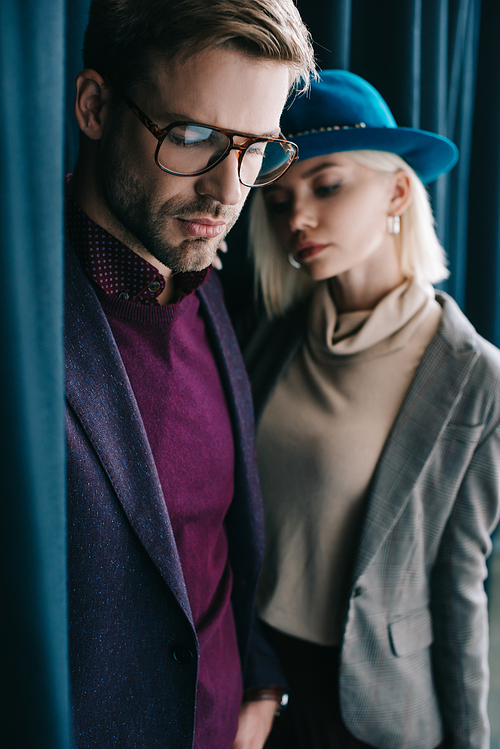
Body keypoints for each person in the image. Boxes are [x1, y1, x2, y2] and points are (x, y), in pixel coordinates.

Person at [64, 1, 315, 747]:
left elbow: (213, 546)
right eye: (195, 136)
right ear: (95, 106)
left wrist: (260, 679)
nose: (228, 190)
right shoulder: (25, 315)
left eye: (255, 148)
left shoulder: (210, 291)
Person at [242, 70, 500, 749]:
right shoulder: (272, 335)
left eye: (327, 185)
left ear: (395, 188)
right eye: (280, 199)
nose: (296, 217)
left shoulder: (474, 377)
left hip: (374, 709)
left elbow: (461, 583)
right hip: (253, 682)